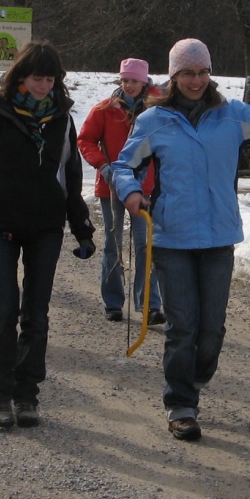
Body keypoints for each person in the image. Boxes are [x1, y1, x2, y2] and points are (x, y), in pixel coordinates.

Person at [113, 38, 250, 443]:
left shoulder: (231, 115)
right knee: (183, 325)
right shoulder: (156, 120)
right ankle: (181, 404)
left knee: (212, 330)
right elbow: (124, 165)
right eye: (188, 73)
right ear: (174, 77)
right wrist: (131, 191)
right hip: (172, 238)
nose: (196, 80)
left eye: (203, 72)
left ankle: (196, 374)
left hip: (219, 236)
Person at [0, 41, 94, 429]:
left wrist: (80, 226)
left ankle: (27, 393)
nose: (43, 85)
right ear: (21, 76)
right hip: (1, 223)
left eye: (50, 79)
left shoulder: (62, 118)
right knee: (4, 309)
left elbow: (69, 175)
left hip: (45, 225)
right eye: (36, 77)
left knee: (36, 313)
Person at [77, 57, 164, 323]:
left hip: (147, 187)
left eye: (133, 80)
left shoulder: (159, 109)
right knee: (113, 245)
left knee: (145, 245)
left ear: (144, 81)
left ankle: (149, 304)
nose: (128, 85)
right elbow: (86, 139)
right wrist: (102, 165)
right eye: (124, 80)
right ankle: (113, 301)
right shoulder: (104, 109)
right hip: (112, 186)